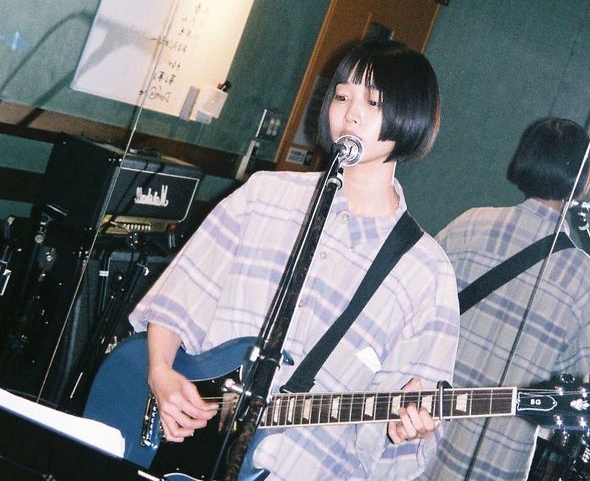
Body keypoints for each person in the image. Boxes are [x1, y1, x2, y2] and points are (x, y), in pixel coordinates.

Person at [128, 39, 459, 480]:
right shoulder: (265, 195)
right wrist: (160, 373)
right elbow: (179, 296)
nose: (351, 113)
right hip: (183, 451)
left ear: (412, 119)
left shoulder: (426, 272)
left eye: (373, 101)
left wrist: (407, 430)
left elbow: (406, 442)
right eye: (342, 96)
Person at [420, 117, 590, 480]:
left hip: (417, 432)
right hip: (498, 459)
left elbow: (418, 314)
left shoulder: (469, 224)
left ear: (525, 160)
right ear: (583, 179)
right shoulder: (586, 278)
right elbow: (573, 396)